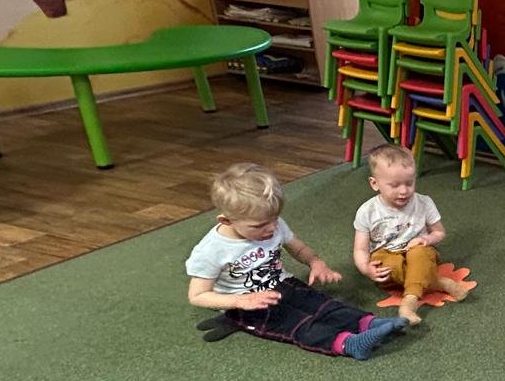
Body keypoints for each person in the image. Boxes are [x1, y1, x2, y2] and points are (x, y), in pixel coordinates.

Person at [185, 163, 406, 360]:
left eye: (274, 219)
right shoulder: (210, 251)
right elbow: (198, 296)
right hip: (247, 303)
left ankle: (368, 323)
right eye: (259, 225)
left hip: (283, 283)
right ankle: (349, 344)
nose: (271, 228)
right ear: (226, 220)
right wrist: (240, 301)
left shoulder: (272, 224)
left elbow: (297, 247)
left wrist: (315, 262)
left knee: (321, 304)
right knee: (297, 322)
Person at [352, 144, 471, 324]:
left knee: (419, 254)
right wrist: (365, 268)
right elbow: (360, 249)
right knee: (387, 265)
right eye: (394, 185)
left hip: (418, 251)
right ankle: (438, 283)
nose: (404, 190)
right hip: (386, 255)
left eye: (409, 183)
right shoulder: (366, 211)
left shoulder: (424, 203)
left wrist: (425, 239)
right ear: (375, 183)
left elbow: (439, 232)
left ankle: (409, 302)